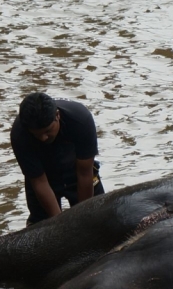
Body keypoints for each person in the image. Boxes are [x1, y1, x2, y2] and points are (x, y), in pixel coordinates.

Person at [11, 92, 104, 226]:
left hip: (78, 170)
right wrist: (59, 226)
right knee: (42, 227)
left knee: (97, 218)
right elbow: (39, 182)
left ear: (57, 116)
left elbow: (84, 173)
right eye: (37, 134)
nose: (43, 138)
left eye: (48, 131)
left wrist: (84, 219)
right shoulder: (19, 134)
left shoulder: (81, 120)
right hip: (44, 176)